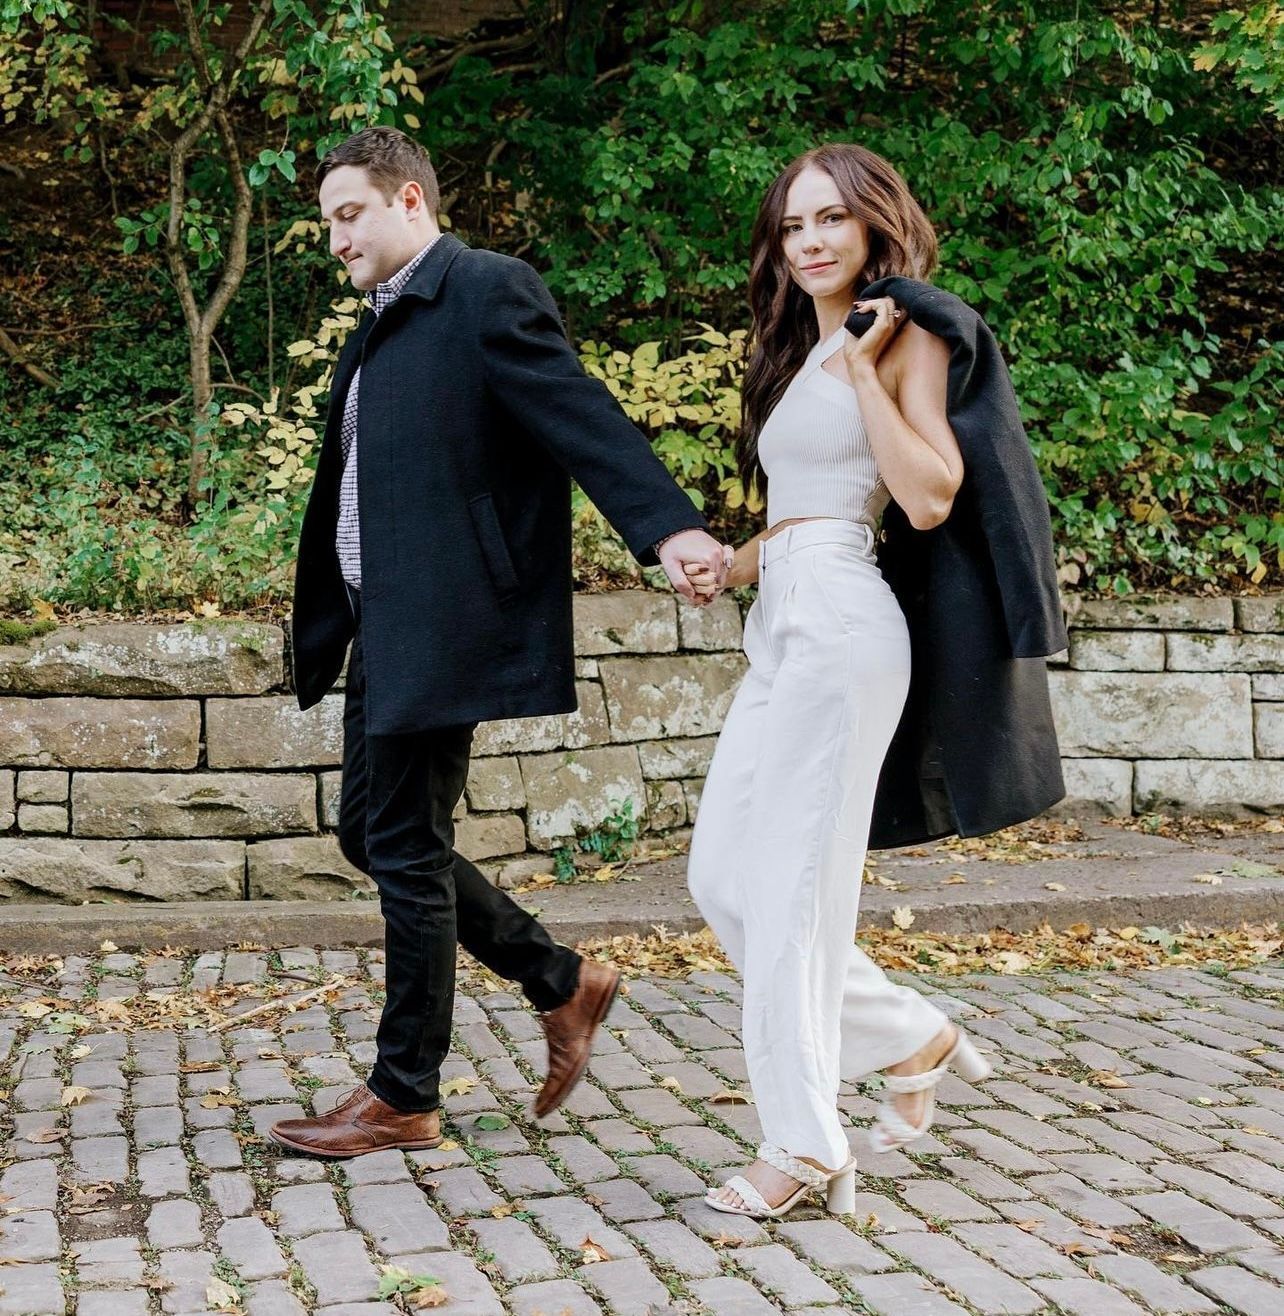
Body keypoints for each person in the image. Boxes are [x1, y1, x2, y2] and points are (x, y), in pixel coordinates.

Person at [271, 126, 728, 1159]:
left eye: (350, 214)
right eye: (328, 222)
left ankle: (405, 1090)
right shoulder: (381, 325)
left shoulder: (484, 289)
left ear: (411, 204)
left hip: (445, 615)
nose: (335, 239)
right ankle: (559, 978)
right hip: (386, 618)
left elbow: (579, 412)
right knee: (380, 835)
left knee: (397, 841)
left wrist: (669, 525)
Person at [685, 142, 1066, 1219]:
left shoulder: (901, 336)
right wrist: (732, 559)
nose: (809, 241)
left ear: (871, 228)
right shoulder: (799, 349)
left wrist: (863, 368)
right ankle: (908, 1032)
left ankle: (804, 1145)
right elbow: (809, 501)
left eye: (830, 221)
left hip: (848, 625)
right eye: (793, 224)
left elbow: (931, 492)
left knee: (796, 894)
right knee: (723, 875)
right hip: (784, 615)